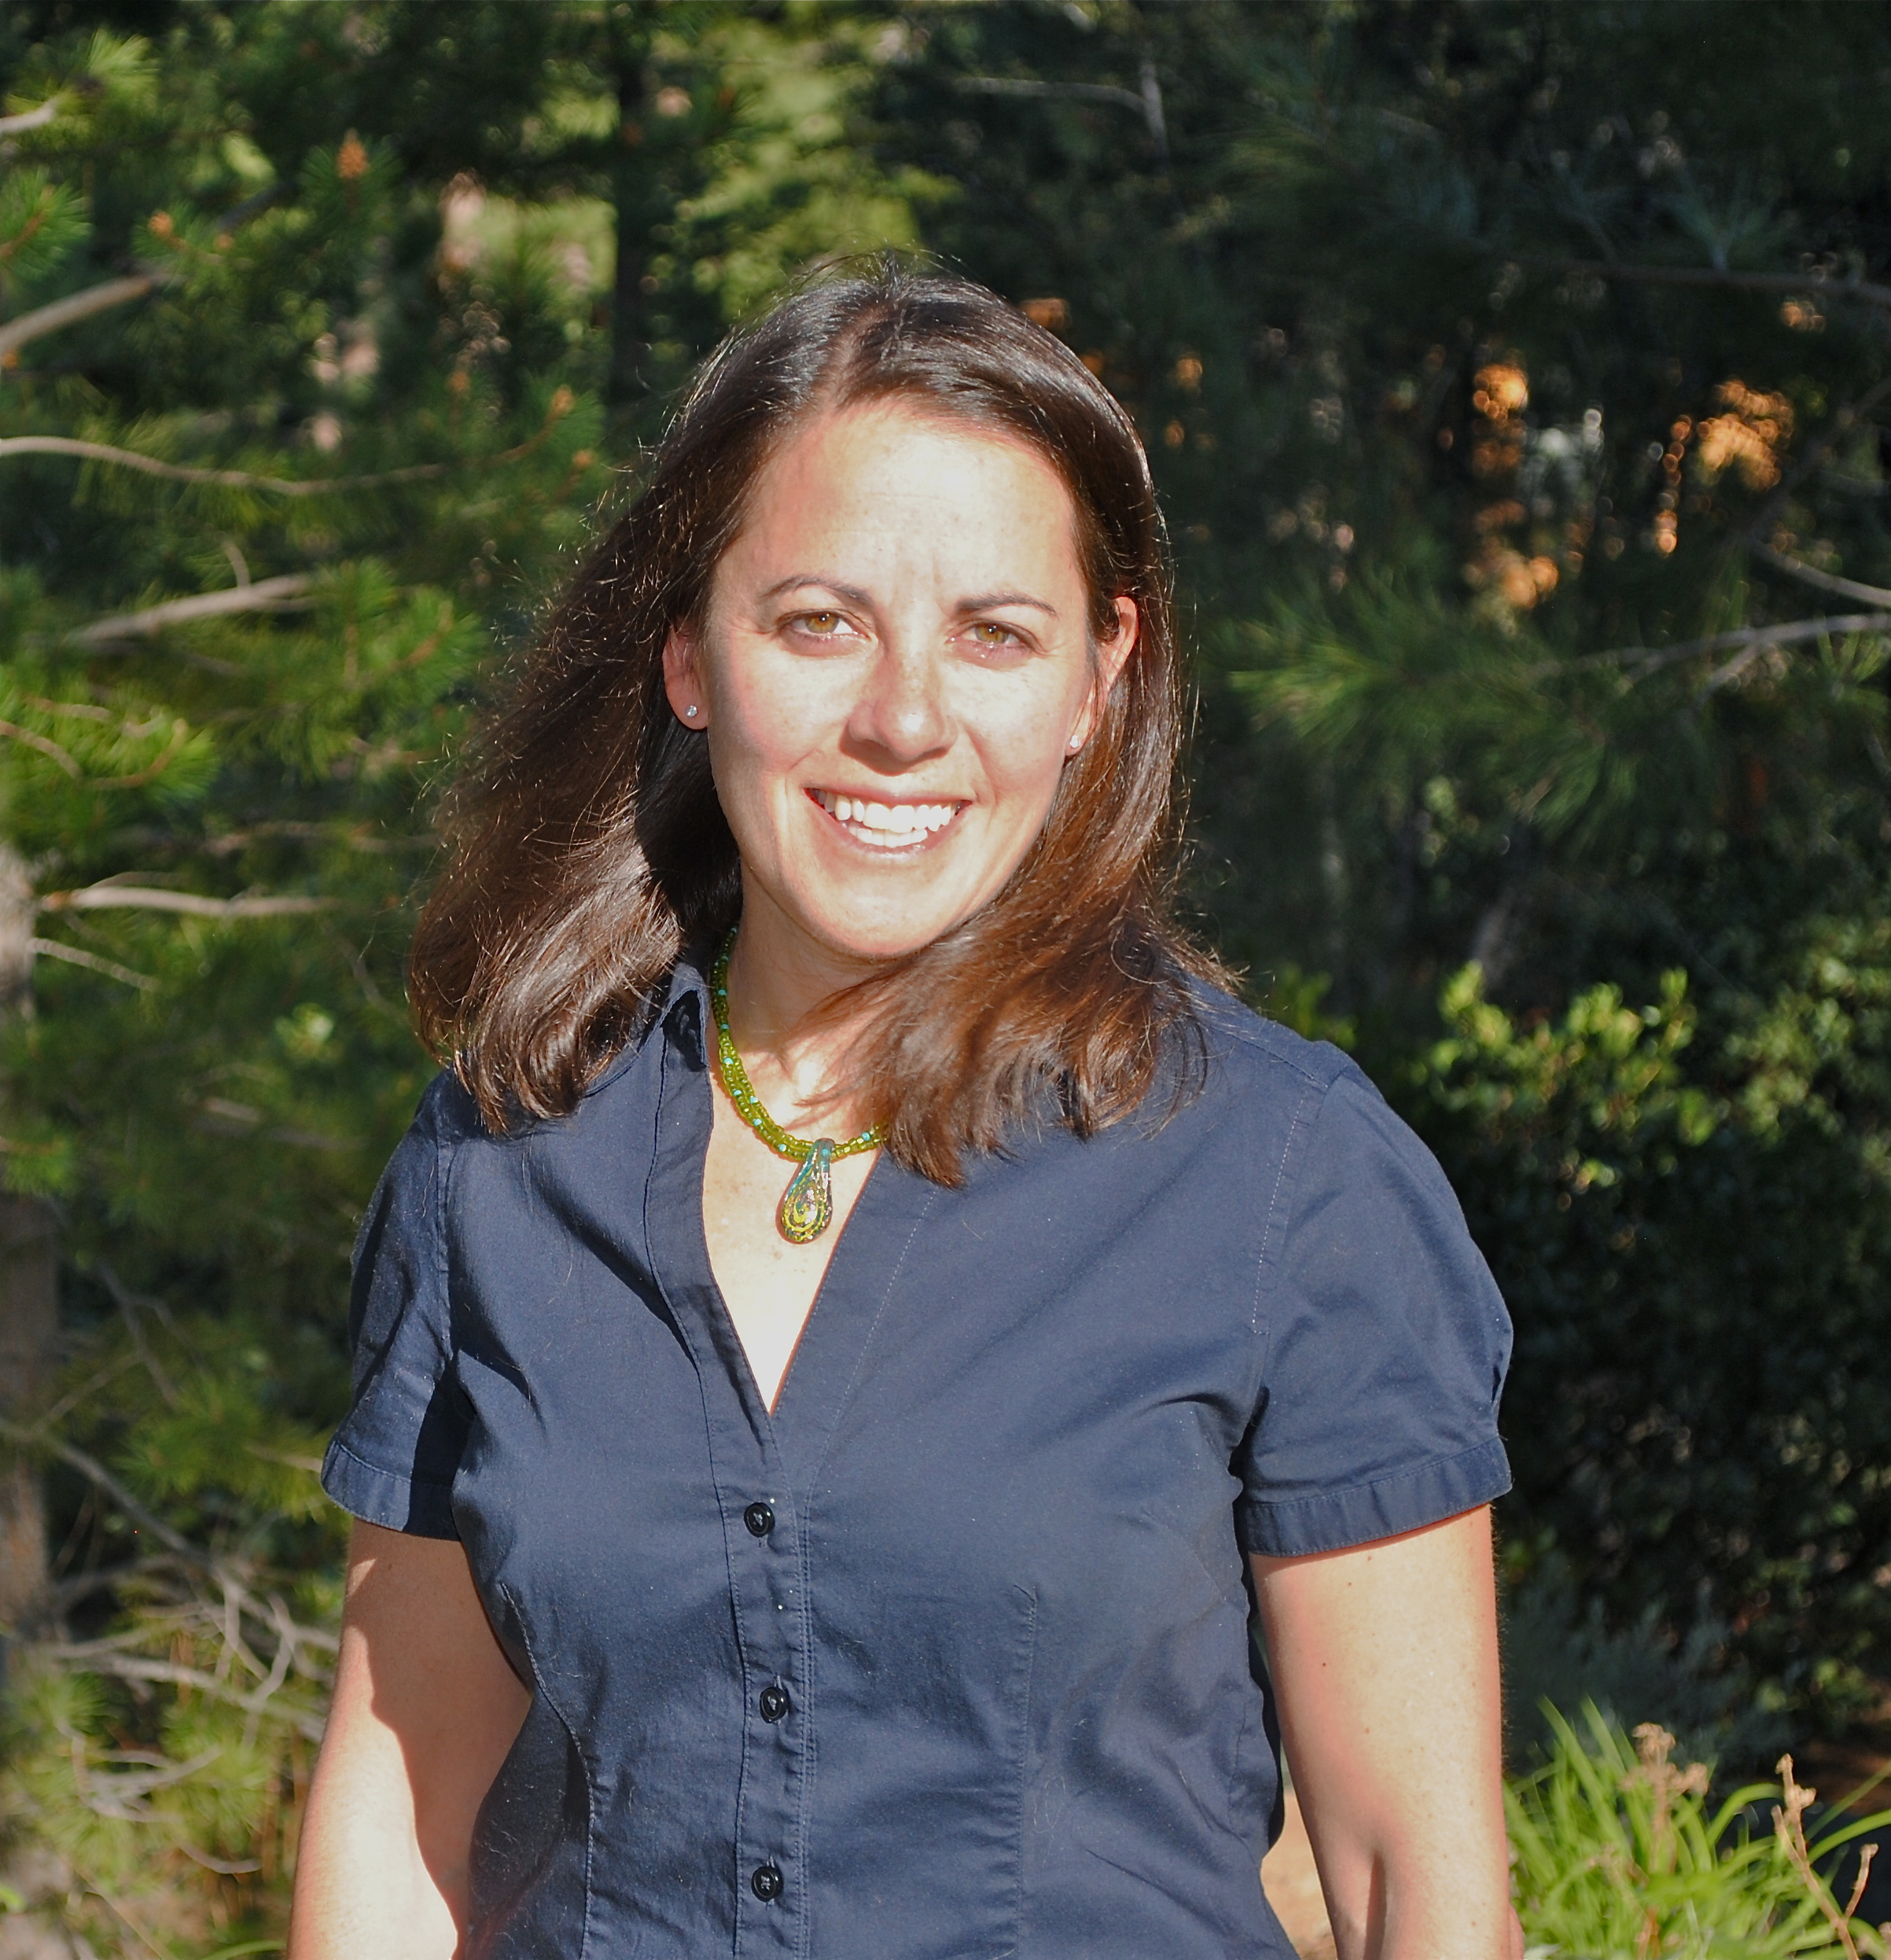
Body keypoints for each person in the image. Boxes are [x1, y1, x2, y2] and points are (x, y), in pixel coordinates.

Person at [289, 267, 1520, 1960]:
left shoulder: (1287, 1178)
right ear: (691, 653)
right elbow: (402, 1805)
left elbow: (1413, 1881)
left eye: (995, 634)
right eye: (819, 621)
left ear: (1102, 677)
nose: (906, 719)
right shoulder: (499, 1156)